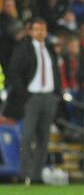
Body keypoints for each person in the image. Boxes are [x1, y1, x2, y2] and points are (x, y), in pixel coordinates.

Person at [3, 17, 61, 185]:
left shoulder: (50, 49)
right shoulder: (23, 49)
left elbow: (54, 72)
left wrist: (56, 94)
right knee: (27, 137)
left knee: (44, 138)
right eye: (36, 29)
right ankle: (23, 174)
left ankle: (36, 176)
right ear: (30, 31)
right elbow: (12, 71)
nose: (40, 32)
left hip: (49, 97)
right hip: (31, 98)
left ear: (46, 31)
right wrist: (24, 94)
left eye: (42, 29)